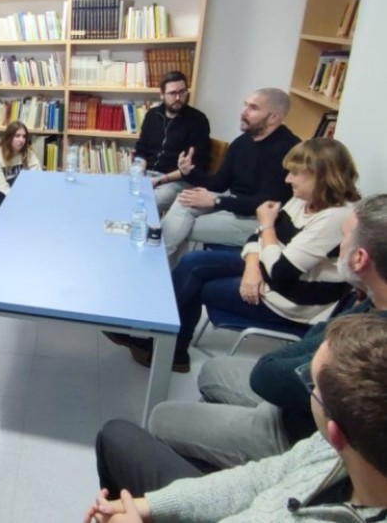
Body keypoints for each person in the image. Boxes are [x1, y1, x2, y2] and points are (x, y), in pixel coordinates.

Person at [140, 193, 387, 472]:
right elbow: (313, 344)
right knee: (213, 369)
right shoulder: (369, 300)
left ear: (360, 258)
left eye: (344, 239)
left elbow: (267, 377)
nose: (338, 247)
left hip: (297, 436)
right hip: (298, 399)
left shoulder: (371, 342)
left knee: (161, 417)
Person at [88, 312, 387, 523]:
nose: (308, 388)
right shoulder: (331, 448)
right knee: (117, 436)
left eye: (312, 386)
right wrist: (146, 506)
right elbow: (258, 479)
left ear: (336, 432)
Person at [108, 138, 361, 373]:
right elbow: (256, 236)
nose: (287, 180)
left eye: (295, 173)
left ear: (321, 177)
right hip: (265, 270)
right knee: (192, 262)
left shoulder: (334, 218)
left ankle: (169, 349)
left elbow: (281, 271)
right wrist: (252, 265)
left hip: (290, 301)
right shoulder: (304, 199)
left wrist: (268, 227)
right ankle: (163, 341)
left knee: (199, 285)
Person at [161, 87, 300, 263]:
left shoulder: (287, 150)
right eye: (245, 105)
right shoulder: (242, 142)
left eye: (253, 108)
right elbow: (219, 183)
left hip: (260, 221)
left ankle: (157, 267)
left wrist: (217, 201)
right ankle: (163, 271)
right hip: (234, 205)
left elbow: (267, 204)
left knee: (182, 228)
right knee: (184, 200)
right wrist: (189, 172)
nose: (243, 112)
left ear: (274, 117)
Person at [134, 70, 211, 212]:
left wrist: (159, 180)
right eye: (172, 93)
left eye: (182, 92)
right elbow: (141, 149)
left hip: (176, 180)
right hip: (146, 173)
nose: (178, 97)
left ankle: (146, 232)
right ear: (162, 95)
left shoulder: (198, 120)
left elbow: (195, 165)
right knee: (115, 189)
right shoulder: (152, 115)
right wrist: (139, 170)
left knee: (146, 203)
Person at [0, 120, 41, 217]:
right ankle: (19, 211)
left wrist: (27, 195)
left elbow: (37, 176)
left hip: (24, 192)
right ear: (9, 137)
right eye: (17, 136)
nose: (21, 140)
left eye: (24, 136)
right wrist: (17, 199)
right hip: (6, 192)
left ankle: (14, 211)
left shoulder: (28, 153)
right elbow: (1, 185)